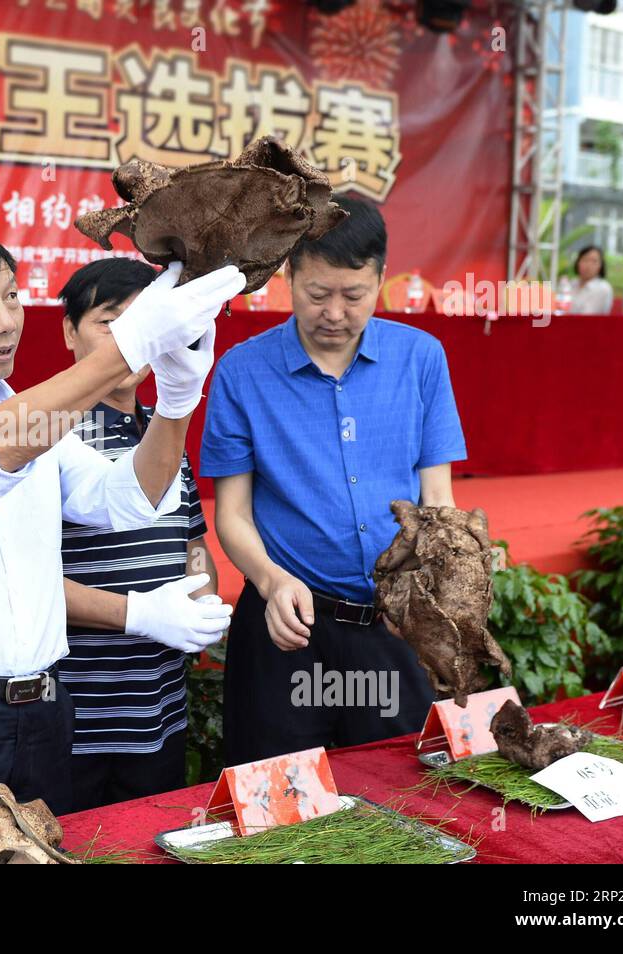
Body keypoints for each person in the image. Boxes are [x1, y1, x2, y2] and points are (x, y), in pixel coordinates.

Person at [0, 226, 243, 851]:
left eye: (12, 296)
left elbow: (128, 499)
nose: (5, 321)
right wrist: (129, 346)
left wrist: (177, 398)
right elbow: (1, 445)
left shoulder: (34, 416)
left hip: (46, 716)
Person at [201, 196, 465, 766]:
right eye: (317, 294)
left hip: (392, 627)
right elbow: (233, 514)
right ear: (288, 276)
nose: (335, 314)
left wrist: (436, 590)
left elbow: (437, 500)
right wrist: (271, 582)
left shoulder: (421, 358)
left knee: (402, 789)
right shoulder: (242, 372)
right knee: (278, 794)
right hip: (286, 626)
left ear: (381, 279)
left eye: (355, 295)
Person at [56, 258, 221, 812]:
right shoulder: (40, 430)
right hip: (74, 714)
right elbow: (22, 578)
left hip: (161, 709)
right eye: (109, 321)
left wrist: (200, 601)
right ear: (67, 332)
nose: (132, 338)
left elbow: (192, 541)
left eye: (144, 320)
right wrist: (139, 611)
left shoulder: (165, 425)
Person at [568, 245, 613, 315]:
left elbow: (587, 316)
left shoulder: (603, 288)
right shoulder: (570, 284)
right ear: (578, 262)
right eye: (585, 260)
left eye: (594, 261)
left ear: (600, 266)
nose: (588, 265)